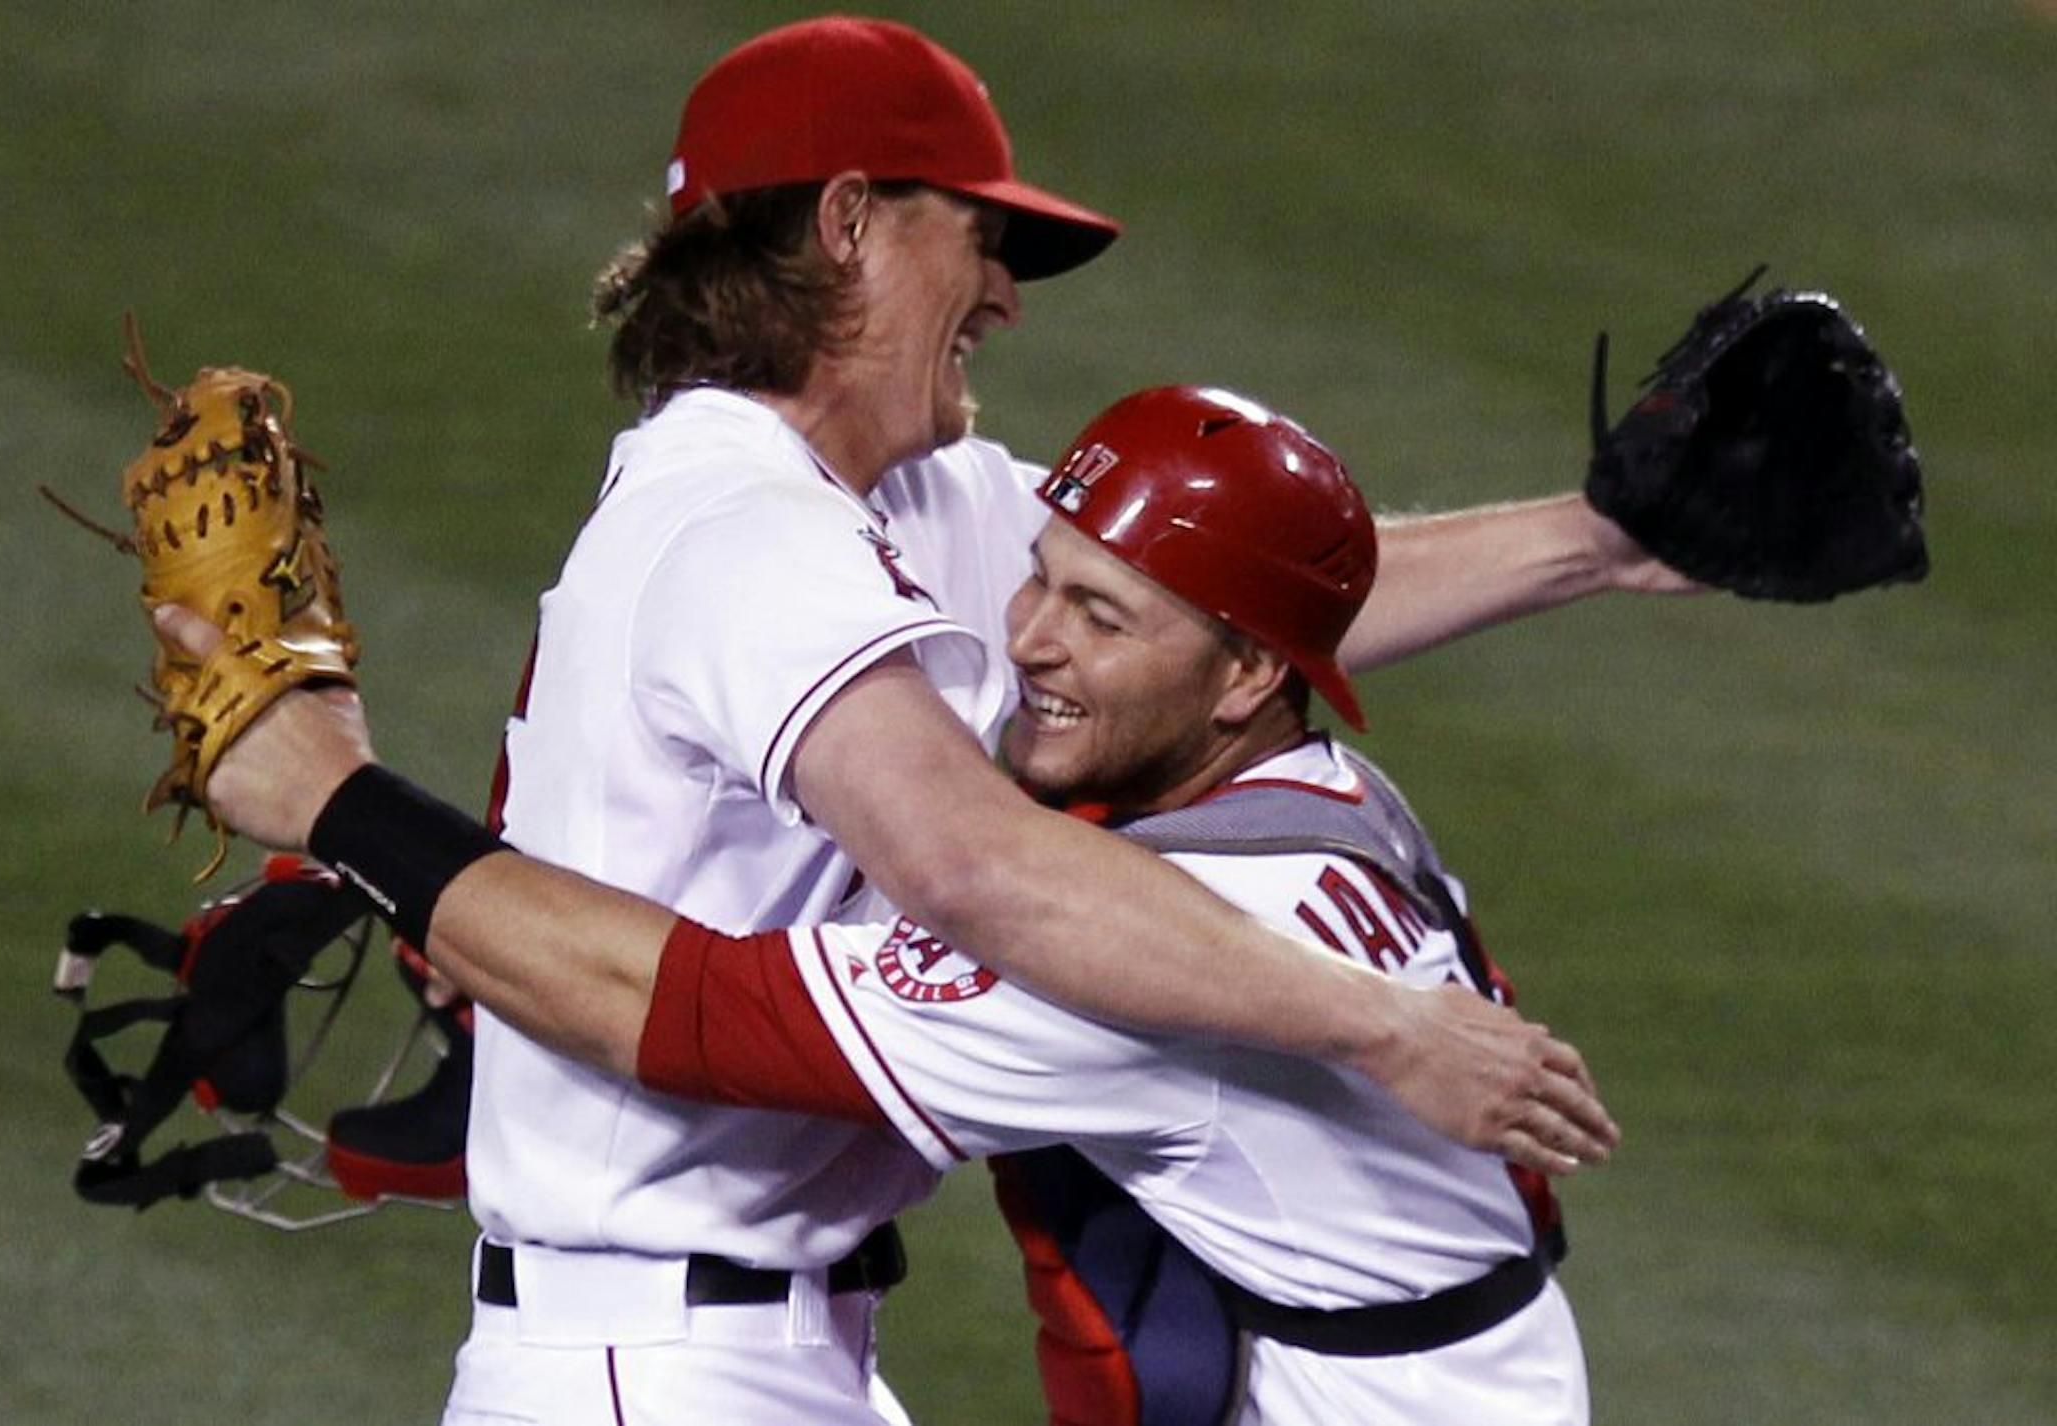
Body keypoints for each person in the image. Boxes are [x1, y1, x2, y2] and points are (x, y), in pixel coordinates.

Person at [161, 16, 1679, 1423]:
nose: (1008, 293)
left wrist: (1599, 543)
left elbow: (1216, 607)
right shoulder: (740, 530)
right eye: (983, 235)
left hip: (780, 1346)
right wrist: (1385, 1025)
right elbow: (975, 868)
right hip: (655, 1363)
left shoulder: (907, 498)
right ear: (847, 221)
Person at [165, 384, 1595, 1424]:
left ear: (1241, 677)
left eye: (1101, 616)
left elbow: (682, 1009)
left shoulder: (1138, 965)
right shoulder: (1323, 798)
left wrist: (337, 801)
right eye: (1040, 577)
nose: (1026, 636)